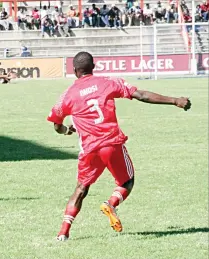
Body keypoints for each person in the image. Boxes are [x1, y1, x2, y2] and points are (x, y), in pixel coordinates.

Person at [46, 51, 191, 241]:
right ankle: (111, 203)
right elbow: (141, 95)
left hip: (88, 149)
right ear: (94, 67)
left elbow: (56, 125)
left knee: (81, 188)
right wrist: (175, 100)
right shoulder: (108, 82)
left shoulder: (67, 95)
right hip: (110, 143)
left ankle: (63, 233)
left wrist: (66, 131)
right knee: (127, 182)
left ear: (74, 71)